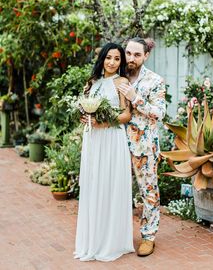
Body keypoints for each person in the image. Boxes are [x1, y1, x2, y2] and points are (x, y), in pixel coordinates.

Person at [74, 43, 135, 262]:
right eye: (108, 57)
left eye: (117, 59)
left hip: (112, 138)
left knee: (109, 185)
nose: (112, 62)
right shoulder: (92, 83)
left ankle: (111, 241)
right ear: (102, 58)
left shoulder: (122, 82)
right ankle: (93, 239)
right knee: (93, 185)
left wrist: (102, 122)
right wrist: (84, 118)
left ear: (121, 62)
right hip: (94, 140)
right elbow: (83, 107)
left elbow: (126, 115)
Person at [118, 37, 166, 257]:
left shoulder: (155, 80)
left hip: (144, 147)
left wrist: (135, 97)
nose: (131, 58)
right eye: (128, 53)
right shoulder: (117, 77)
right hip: (116, 145)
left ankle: (148, 237)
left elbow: (159, 113)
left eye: (137, 54)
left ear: (146, 56)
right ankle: (118, 236)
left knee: (148, 192)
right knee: (117, 191)